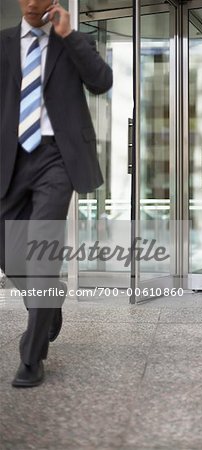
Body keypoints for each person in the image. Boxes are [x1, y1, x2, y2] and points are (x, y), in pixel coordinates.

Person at [0, 0, 113, 387]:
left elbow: (102, 82)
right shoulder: (3, 43)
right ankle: (49, 299)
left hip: (57, 159)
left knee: (42, 252)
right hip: (10, 160)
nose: (32, 1)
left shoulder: (73, 42)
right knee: (8, 253)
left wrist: (69, 35)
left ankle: (31, 358)